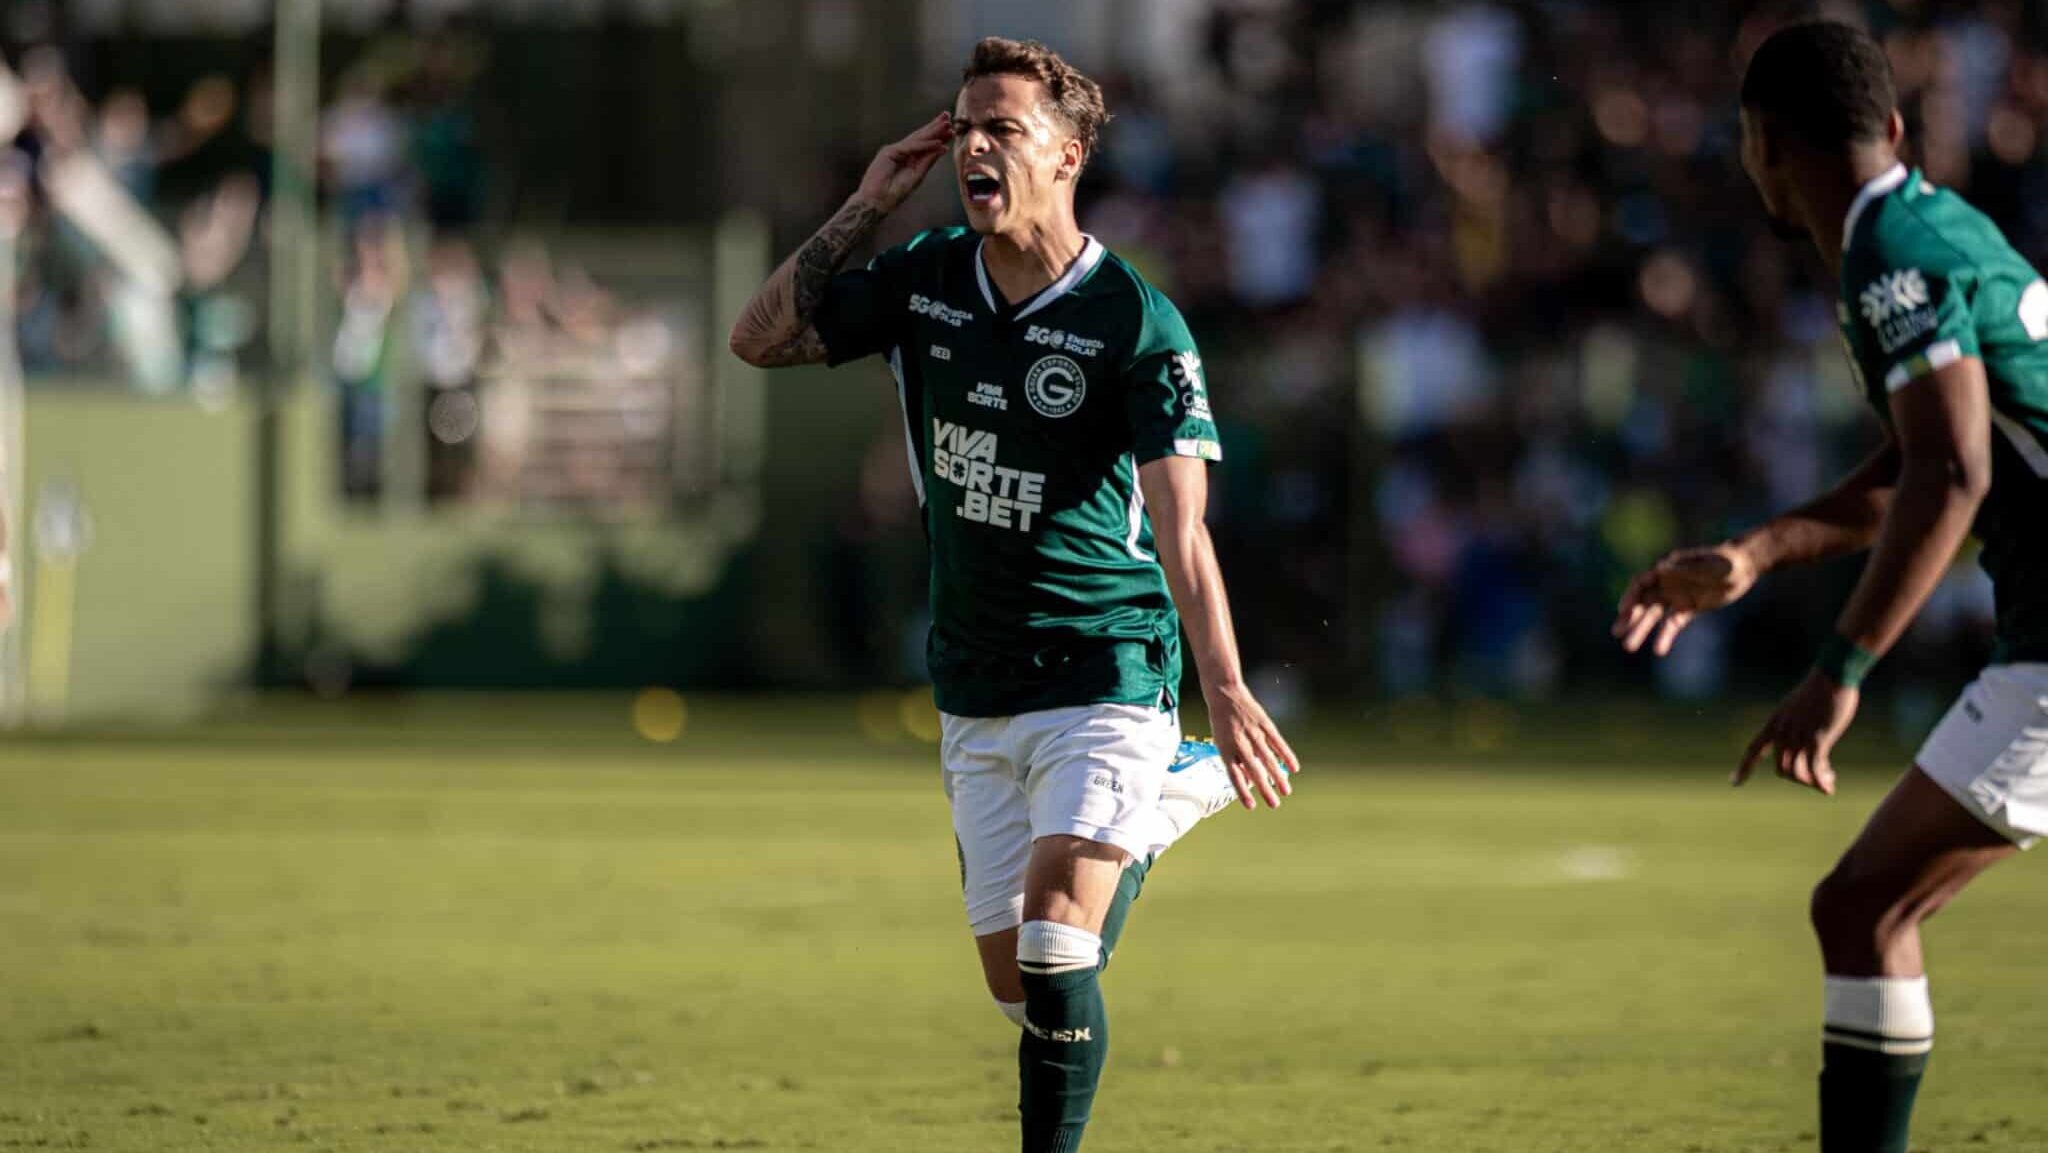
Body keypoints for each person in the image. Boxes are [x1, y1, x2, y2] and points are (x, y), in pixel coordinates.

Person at [728, 36, 1299, 1153]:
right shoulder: (927, 277)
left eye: (1004, 129)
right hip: (974, 681)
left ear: (1068, 154)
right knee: (1021, 993)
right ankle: (1158, 809)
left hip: (1107, 668)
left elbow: (1182, 529)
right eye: (963, 127)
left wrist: (1224, 686)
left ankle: (1164, 772)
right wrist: (864, 203)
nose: (973, 147)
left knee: (1051, 947)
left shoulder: (1138, 323)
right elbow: (758, 340)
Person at [1614, 21, 2047, 1153]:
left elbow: (1955, 468)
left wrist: (1839, 670)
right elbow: (1918, 461)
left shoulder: (1882, 253)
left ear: (1758, 146)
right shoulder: (1931, 220)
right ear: (1893, 129)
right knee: (1866, 906)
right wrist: (1756, 555)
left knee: (1863, 907)